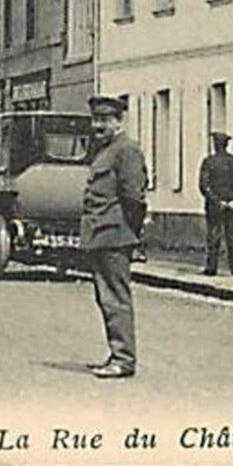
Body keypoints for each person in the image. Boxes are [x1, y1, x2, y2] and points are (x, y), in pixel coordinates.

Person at [80, 94, 149, 379]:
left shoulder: (126, 150)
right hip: (102, 234)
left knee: (115, 298)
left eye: (104, 120)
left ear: (119, 121)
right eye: (96, 119)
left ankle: (123, 359)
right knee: (106, 297)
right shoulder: (106, 150)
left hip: (114, 234)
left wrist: (128, 231)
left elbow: (134, 197)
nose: (98, 125)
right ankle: (117, 353)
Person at [198, 131, 233, 275]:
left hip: (214, 205)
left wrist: (217, 201)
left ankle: (212, 267)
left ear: (215, 145)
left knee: (213, 236)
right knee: (232, 236)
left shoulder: (209, 162)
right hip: (231, 205)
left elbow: (204, 186)